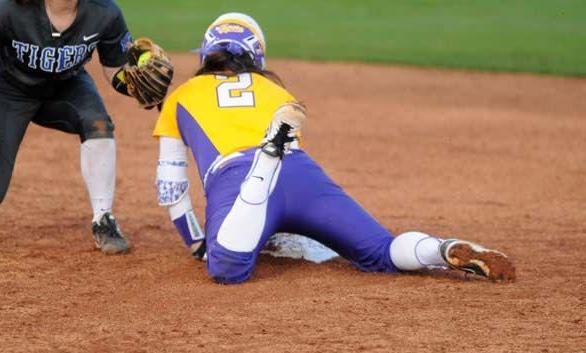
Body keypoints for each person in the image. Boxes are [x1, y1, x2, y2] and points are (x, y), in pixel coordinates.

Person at [152, 13, 516, 284]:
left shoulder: (181, 96)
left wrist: (198, 244)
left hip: (237, 176)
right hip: (299, 169)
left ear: (207, 53)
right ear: (257, 58)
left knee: (227, 267)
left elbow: (171, 188)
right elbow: (288, 195)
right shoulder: (279, 93)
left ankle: (262, 166)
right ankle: (439, 248)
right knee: (381, 253)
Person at [0, 0, 168, 254]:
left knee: (98, 123)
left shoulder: (105, 12)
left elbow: (115, 68)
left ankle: (103, 220)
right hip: (9, 91)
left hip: (66, 86)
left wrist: (137, 86)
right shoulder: (9, 9)